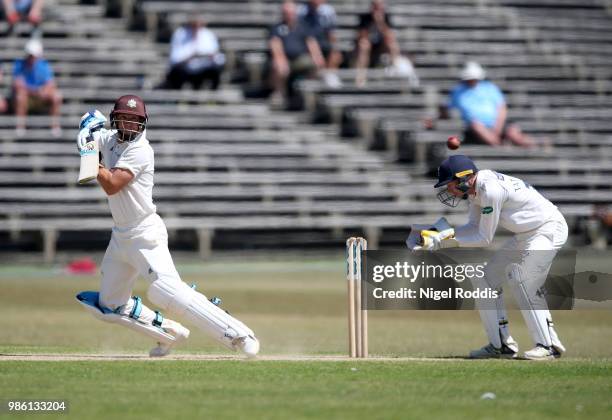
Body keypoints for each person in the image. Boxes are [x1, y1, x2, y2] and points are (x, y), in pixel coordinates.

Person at [75, 95, 260, 358]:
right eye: (124, 118)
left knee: (167, 291)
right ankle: (170, 333)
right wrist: (86, 131)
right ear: (116, 119)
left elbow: (111, 184)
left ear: (142, 123)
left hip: (144, 233)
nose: (128, 124)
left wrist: (88, 152)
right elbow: (91, 130)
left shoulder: (141, 150)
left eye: (134, 120)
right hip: (120, 236)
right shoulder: (112, 139)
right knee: (109, 305)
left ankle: (240, 335)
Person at [413, 154, 567, 360]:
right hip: (525, 235)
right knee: (486, 279)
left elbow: (484, 237)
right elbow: (472, 227)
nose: (448, 190)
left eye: (449, 184)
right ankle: (500, 345)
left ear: (464, 178)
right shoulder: (476, 192)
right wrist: (440, 236)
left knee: (523, 278)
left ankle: (548, 345)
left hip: (548, 229)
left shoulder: (491, 190)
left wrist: (442, 240)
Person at [445, 62, 534, 147]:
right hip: (475, 127)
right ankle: (500, 146)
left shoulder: (489, 87)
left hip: (497, 123)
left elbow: (501, 107)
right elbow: (448, 107)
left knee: (513, 131)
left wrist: (497, 128)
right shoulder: (458, 91)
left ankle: (534, 145)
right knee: (477, 126)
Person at [268, 0, 324, 106]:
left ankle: (310, 94)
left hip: (300, 59)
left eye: (291, 12)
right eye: (286, 13)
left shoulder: (303, 26)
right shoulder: (277, 28)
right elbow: (275, 45)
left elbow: (311, 42)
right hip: (285, 59)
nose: (289, 15)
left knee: (314, 64)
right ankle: (279, 93)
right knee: (279, 67)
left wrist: (317, 56)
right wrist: (281, 59)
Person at [354, 0, 414, 86]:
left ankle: (396, 69)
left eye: (379, 6)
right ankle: (361, 77)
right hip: (369, 46)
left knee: (392, 44)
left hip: (381, 46)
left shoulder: (386, 17)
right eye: (375, 6)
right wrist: (372, 23)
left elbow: (390, 35)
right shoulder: (365, 18)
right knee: (364, 45)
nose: (377, 8)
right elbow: (361, 36)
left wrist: (381, 23)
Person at [12, 38, 62, 137]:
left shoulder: (43, 66)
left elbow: (50, 84)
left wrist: (44, 91)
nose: (31, 58)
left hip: (39, 97)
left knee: (57, 96)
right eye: (30, 55)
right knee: (20, 96)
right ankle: (20, 127)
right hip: (28, 98)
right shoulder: (19, 65)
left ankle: (55, 127)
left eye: (33, 56)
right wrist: (37, 91)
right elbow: (18, 85)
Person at [161, 17, 225, 90]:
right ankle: (176, 98)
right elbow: (174, 59)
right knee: (176, 73)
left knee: (215, 72)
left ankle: (214, 97)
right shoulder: (180, 34)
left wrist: (211, 57)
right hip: (185, 70)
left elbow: (218, 58)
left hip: (203, 70)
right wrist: (189, 57)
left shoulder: (208, 34)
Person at [298, 0, 342, 88]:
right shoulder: (302, 12)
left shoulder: (327, 12)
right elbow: (308, 37)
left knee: (335, 54)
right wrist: (316, 54)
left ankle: (329, 76)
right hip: (306, 46)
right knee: (315, 58)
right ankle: (318, 78)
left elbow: (331, 33)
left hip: (322, 43)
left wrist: (335, 48)